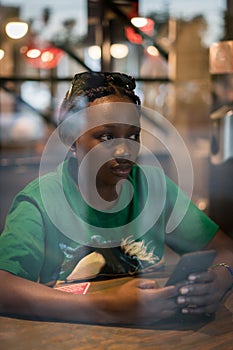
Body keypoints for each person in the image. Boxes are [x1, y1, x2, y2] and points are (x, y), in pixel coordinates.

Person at [0, 71, 233, 326]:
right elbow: (4, 287)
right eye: (107, 137)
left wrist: (221, 278)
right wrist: (105, 308)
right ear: (71, 139)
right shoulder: (40, 201)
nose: (124, 150)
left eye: (133, 136)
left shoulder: (153, 187)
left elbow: (225, 249)